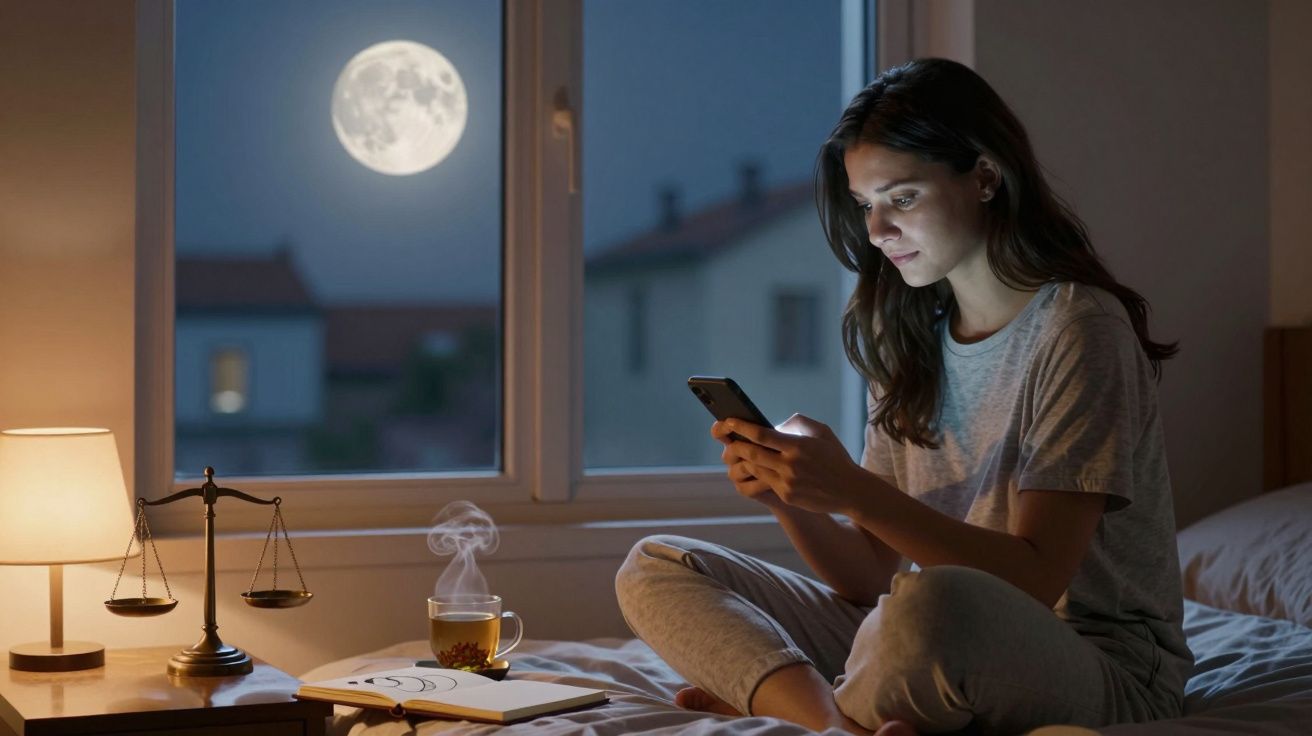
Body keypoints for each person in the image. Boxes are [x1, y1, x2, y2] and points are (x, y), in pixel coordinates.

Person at [614, 57, 1193, 736]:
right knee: (655, 565)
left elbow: (1035, 581)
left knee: (927, 607)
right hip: (927, 635)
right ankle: (830, 718)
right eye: (865, 205)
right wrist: (788, 497)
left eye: (902, 198)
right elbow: (865, 578)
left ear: (983, 176)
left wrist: (854, 490)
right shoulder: (913, 338)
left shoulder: (1078, 327)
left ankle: (785, 696)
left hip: (1093, 662)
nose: (876, 230)